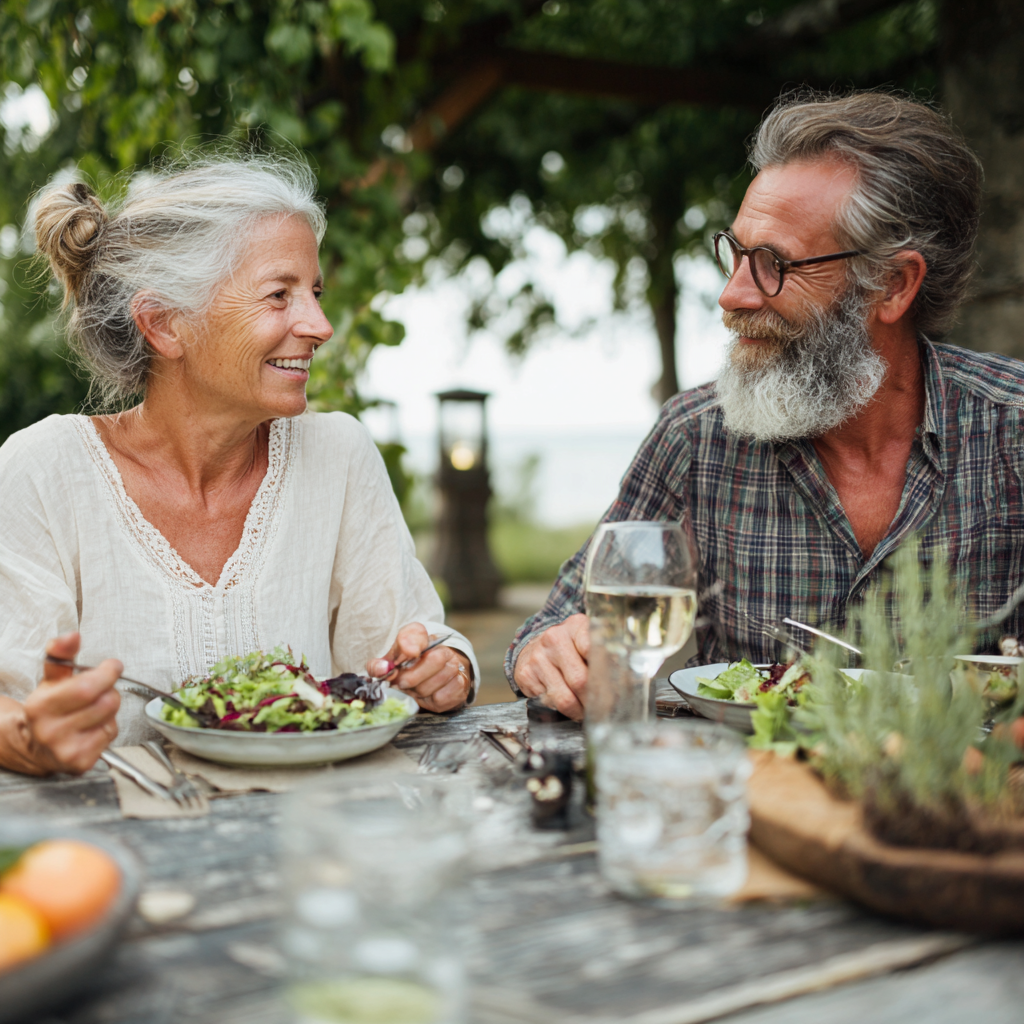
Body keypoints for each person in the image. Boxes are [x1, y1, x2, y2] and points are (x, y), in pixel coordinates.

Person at [507, 90, 1024, 719]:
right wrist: (548, 652)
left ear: (892, 285)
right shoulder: (696, 437)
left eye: (774, 264)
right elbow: (561, 622)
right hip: (749, 800)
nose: (731, 296)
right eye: (737, 255)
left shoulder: (1012, 429)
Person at [0, 155, 478, 775]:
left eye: (315, 293)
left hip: (313, 845)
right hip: (113, 855)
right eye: (280, 295)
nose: (320, 325)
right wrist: (30, 734)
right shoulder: (44, 471)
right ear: (164, 324)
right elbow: (12, 703)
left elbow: (404, 650)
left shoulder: (338, 456)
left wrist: (444, 669)